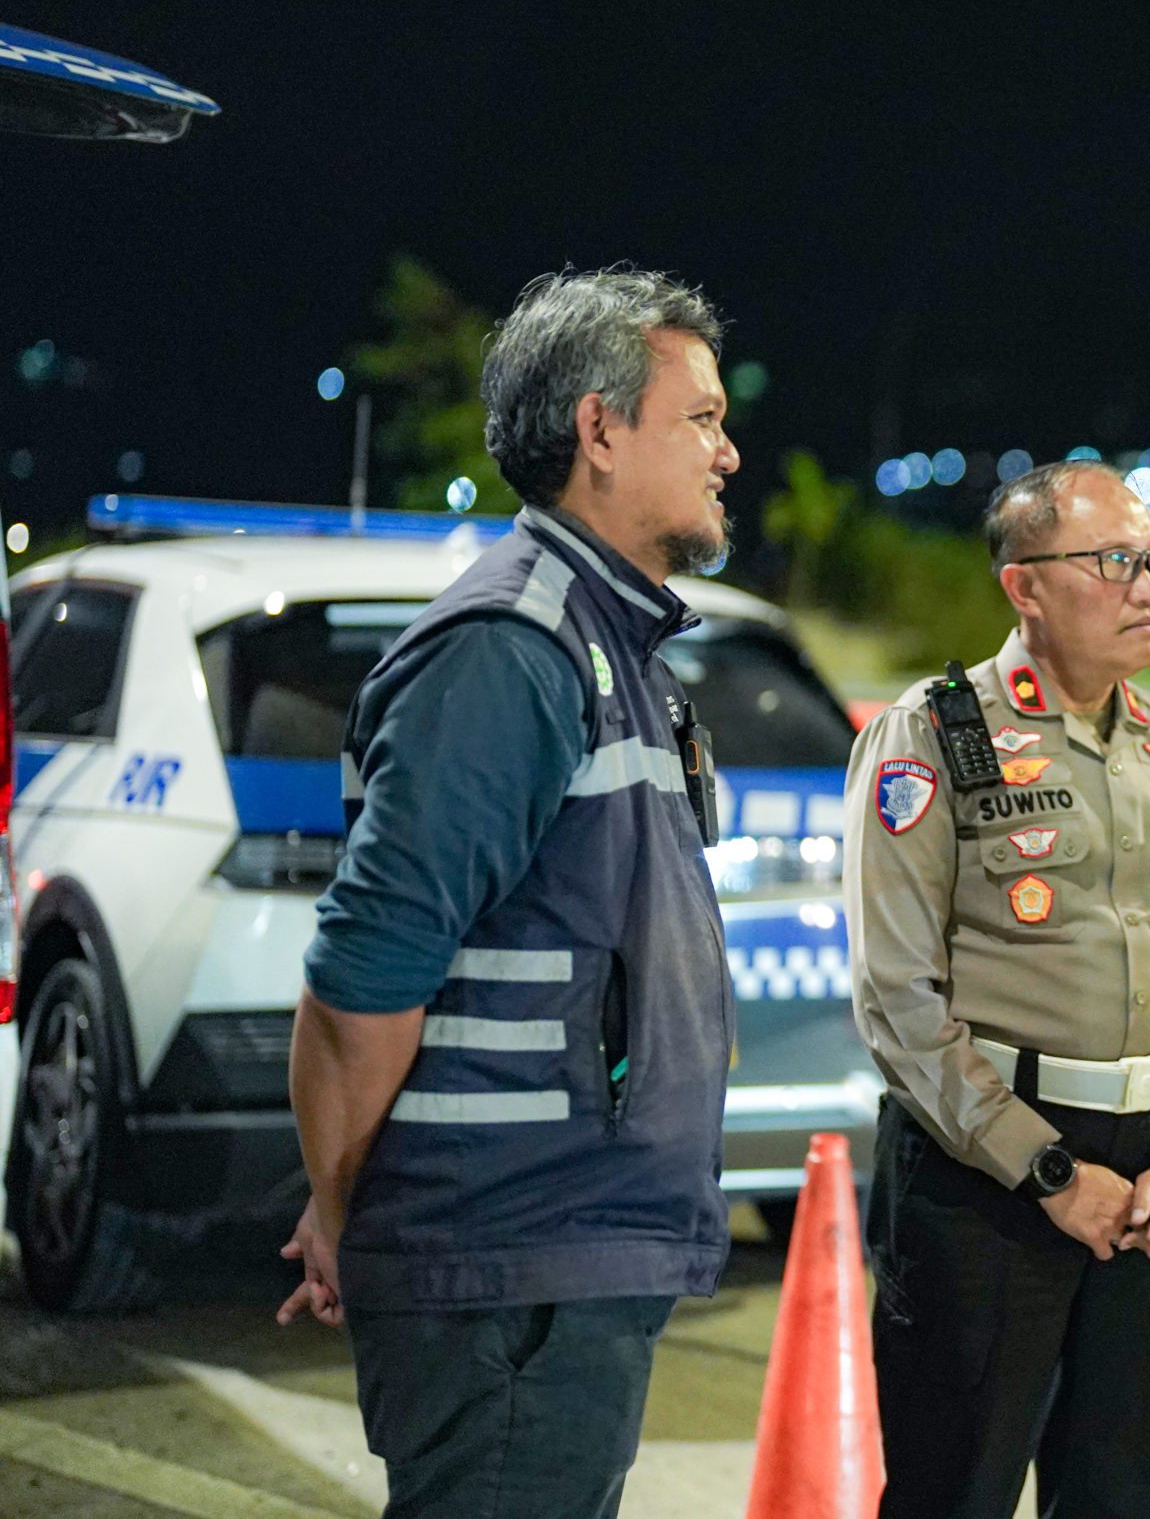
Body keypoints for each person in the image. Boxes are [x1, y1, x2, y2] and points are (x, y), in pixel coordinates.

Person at [279, 267, 743, 1519]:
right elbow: (362, 980)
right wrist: (346, 1210)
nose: (728, 452)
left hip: (556, 1258)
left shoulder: (607, 640)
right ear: (600, 430)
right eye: (701, 418)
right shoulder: (510, 650)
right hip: (506, 1268)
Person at [847, 459, 1150, 1519]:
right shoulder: (935, 734)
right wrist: (1045, 1171)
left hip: (1145, 1192)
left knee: (1118, 1498)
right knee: (955, 1493)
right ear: (1023, 586)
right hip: (982, 1184)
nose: (1149, 586)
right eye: (1114, 561)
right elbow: (896, 993)